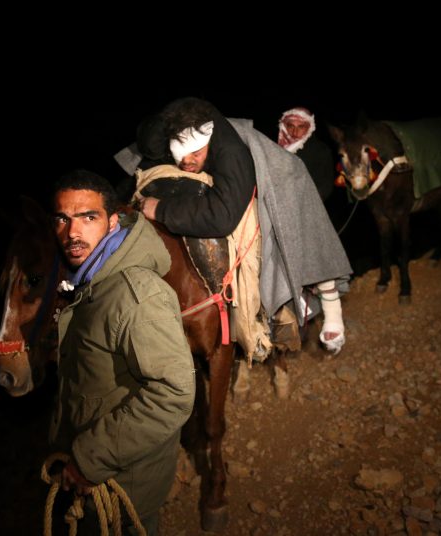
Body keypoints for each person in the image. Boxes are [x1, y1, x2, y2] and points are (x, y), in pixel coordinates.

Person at [134, 97, 351, 356]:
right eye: (180, 157)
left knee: (284, 227)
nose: (187, 162)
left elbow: (223, 216)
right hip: (230, 170)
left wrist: (161, 209)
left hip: (280, 176)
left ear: (208, 141)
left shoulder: (231, 153)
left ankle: (315, 307)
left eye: (195, 154)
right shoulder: (182, 130)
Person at [49, 169, 195, 535]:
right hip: (99, 475)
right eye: (63, 219)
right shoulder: (94, 281)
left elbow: (174, 393)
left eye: (88, 217)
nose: (73, 232)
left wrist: (89, 459)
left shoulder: (136, 294)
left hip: (124, 481)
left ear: (113, 221)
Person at [277, 106, 337, 203]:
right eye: (291, 126)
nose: (295, 132)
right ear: (284, 126)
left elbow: (325, 186)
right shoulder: (275, 149)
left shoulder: (320, 151)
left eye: (301, 127)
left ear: (309, 127)